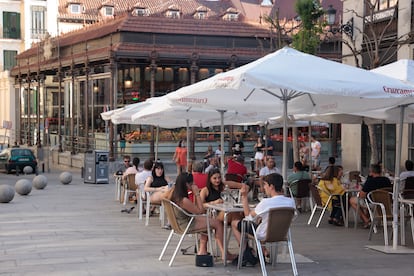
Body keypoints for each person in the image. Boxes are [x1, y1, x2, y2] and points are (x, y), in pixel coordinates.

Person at [170, 172, 235, 261]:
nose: (194, 184)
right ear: (187, 184)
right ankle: (225, 253)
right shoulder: (183, 200)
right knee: (218, 223)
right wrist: (197, 194)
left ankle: (202, 250)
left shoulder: (176, 195)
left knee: (208, 220)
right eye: (192, 183)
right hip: (186, 224)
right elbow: (200, 211)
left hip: (181, 222)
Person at [231, 173, 295, 261]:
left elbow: (248, 217)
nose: (264, 187)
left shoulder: (266, 203)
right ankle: (261, 255)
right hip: (282, 234)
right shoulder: (291, 202)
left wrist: (244, 197)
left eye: (265, 185)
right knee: (260, 222)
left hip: (265, 234)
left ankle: (245, 253)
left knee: (235, 223)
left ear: (271, 186)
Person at [349, 163, 392, 228]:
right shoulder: (387, 180)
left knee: (352, 200)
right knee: (366, 200)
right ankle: (367, 219)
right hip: (385, 204)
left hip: (372, 204)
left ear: (371, 172)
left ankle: (366, 220)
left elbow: (361, 195)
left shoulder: (370, 181)